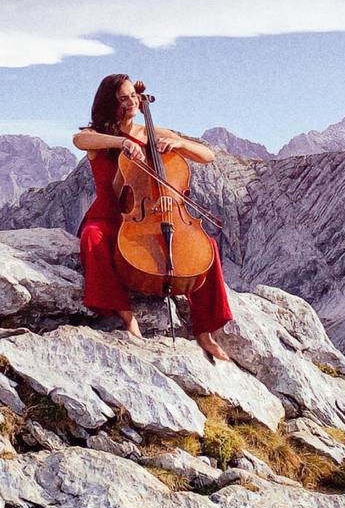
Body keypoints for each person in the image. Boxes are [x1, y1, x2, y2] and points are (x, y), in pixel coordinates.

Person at [73, 73, 232, 361]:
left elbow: (207, 155)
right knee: (91, 238)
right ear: (110, 102)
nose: (132, 101)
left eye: (134, 95)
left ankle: (205, 331)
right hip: (109, 216)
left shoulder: (150, 131)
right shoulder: (97, 136)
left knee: (205, 246)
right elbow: (79, 139)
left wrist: (180, 145)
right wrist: (121, 143)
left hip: (152, 215)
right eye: (124, 98)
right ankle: (127, 317)